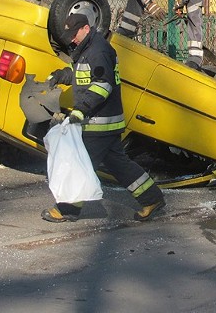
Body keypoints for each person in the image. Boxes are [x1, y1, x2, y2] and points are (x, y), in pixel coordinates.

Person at [43, 14, 166, 223]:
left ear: (85, 28)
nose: (72, 39)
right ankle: (152, 199)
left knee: (80, 163)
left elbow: (103, 84)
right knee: (119, 164)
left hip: (98, 122)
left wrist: (81, 109)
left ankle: (67, 210)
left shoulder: (98, 51)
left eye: (74, 34)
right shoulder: (89, 49)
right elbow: (82, 74)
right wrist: (61, 76)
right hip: (105, 122)